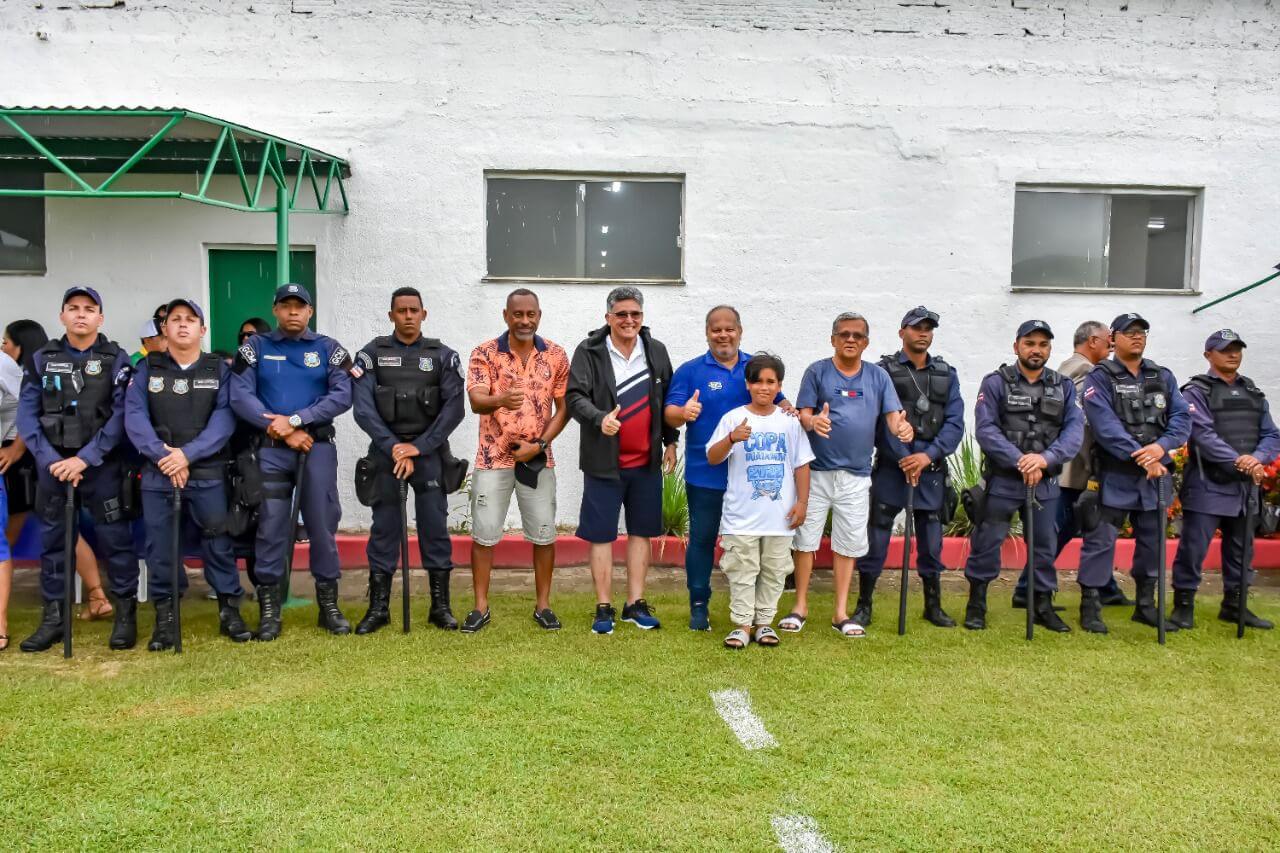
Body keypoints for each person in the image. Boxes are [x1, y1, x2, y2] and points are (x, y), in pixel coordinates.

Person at [124, 298, 252, 650]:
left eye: (190, 319)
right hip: (158, 472)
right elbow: (134, 418)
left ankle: (229, 611)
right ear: (164, 329)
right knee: (160, 547)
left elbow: (224, 419)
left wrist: (186, 455)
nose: (182, 325)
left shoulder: (219, 369)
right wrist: (164, 455)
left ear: (202, 329)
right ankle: (165, 620)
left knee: (218, 542)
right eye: (175, 319)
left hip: (207, 471)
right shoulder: (147, 369)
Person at [17, 287, 140, 653]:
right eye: (73, 308)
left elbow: (121, 416)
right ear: (62, 316)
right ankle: (53, 619)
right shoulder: (41, 360)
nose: (81, 315)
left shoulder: (116, 359)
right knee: (54, 544)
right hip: (53, 466)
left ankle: (124, 617)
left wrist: (85, 458)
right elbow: (27, 415)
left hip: (100, 466)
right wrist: (51, 460)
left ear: (100, 318)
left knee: (116, 542)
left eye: (89, 309)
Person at [230, 283, 354, 640]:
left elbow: (342, 395)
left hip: (316, 446)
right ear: (275, 310)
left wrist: (297, 420)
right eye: (286, 306)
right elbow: (240, 396)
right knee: (271, 526)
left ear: (310, 312)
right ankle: (270, 609)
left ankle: (328, 606)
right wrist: (281, 429)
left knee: (322, 525)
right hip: (270, 449)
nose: (293, 312)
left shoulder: (329, 349)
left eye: (300, 306)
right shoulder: (255, 347)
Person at [664, 305, 792, 631]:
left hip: (751, 479)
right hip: (705, 472)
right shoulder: (691, 371)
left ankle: (758, 614)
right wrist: (684, 413)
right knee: (704, 539)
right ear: (707, 333)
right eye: (716, 329)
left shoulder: (756, 368)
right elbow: (670, 413)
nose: (723, 335)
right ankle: (698, 605)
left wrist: (803, 415)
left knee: (753, 545)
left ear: (740, 330)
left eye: (729, 329)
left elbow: (782, 405)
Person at [788, 312, 912, 638]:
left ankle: (840, 612)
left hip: (856, 476)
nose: (850, 340)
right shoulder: (817, 372)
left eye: (857, 335)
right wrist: (813, 422)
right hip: (815, 472)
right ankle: (799, 606)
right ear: (833, 339)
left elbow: (892, 419)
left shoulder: (878, 377)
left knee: (848, 544)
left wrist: (901, 428)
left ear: (866, 343)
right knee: (805, 541)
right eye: (844, 334)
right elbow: (803, 414)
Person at [351, 286, 465, 634]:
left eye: (414, 310)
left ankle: (439, 608)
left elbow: (454, 409)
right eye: (401, 311)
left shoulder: (443, 356)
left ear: (424, 314)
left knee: (434, 528)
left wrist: (418, 448)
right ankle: (378, 609)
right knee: (384, 530)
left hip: (429, 455)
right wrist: (394, 447)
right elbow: (364, 410)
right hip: (386, 456)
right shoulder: (370, 355)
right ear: (391, 316)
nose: (408, 316)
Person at [566, 286, 678, 635]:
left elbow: (668, 399)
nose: (629, 320)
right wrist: (600, 418)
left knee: (642, 532)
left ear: (642, 318)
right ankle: (603, 607)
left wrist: (671, 442)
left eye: (635, 314)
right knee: (601, 535)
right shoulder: (589, 351)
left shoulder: (655, 350)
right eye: (622, 314)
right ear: (608, 317)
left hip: (646, 463)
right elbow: (573, 396)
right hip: (604, 463)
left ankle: (635, 604)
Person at [962, 320, 1083, 632]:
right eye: (1030, 343)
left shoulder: (1063, 386)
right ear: (1016, 346)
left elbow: (1073, 432)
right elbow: (986, 429)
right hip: (1004, 480)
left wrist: (1044, 460)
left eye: (1043, 344)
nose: (1036, 350)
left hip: (1044, 482)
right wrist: (1020, 460)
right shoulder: (995, 383)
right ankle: (977, 603)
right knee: (987, 542)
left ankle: (1041, 604)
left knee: (1044, 545)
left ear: (1050, 349)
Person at [851, 306, 964, 629]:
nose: (923, 333)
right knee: (877, 540)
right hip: (891, 468)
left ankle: (933, 605)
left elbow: (955, 423)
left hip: (931, 471)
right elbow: (873, 421)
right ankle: (864, 605)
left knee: (932, 542)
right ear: (902, 332)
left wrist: (927, 456)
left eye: (928, 328)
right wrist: (904, 456)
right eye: (916, 328)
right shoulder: (880, 372)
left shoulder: (946, 373)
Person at [1078, 313, 1191, 634]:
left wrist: (1162, 447)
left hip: (1155, 476)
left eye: (1142, 332)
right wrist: (1144, 457)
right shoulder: (1100, 377)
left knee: (1153, 542)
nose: (1137, 337)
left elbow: (1181, 418)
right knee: (1100, 541)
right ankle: (1091, 607)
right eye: (1130, 333)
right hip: (1115, 474)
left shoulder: (1162, 375)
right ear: (1113, 339)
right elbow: (1105, 426)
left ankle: (1145, 606)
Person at [465, 288, 569, 632]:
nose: (525, 320)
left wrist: (539, 445)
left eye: (531, 314)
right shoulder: (484, 352)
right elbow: (477, 402)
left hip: (537, 457)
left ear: (539, 315)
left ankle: (543, 605)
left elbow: (564, 408)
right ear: (505, 315)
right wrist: (500, 399)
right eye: (517, 314)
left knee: (544, 534)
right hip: (492, 457)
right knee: (484, 535)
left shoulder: (554, 354)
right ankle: (481, 607)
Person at [1012, 320, 1132, 609]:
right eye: (1108, 341)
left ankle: (1105, 586)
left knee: (1088, 527)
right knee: (1061, 530)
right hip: (1073, 469)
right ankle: (1027, 588)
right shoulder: (1084, 370)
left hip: (1073, 468)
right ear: (1092, 341)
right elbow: (1080, 415)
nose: (1111, 346)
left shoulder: (1069, 367)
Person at [1, 320, 111, 624]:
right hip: (47, 458)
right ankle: (94, 595)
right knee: (63, 530)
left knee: (57, 531)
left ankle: (96, 594)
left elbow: (27, 415)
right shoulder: (40, 366)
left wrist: (18, 449)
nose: (3, 347)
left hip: (35, 462)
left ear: (20, 345)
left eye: (6, 342)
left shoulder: (12, 369)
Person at [1169, 330, 1279, 629]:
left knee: (1242, 549)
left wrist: (1257, 458)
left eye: (1236, 349)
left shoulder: (1253, 391)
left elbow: (1271, 434)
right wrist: (1240, 461)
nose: (1232, 354)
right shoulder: (1196, 390)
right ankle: (1183, 605)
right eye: (1224, 349)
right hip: (1209, 484)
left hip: (1244, 487)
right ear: (1209, 355)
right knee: (1194, 548)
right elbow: (1202, 434)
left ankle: (1235, 605)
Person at [706, 353, 813, 649]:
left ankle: (764, 622)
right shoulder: (733, 418)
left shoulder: (789, 422)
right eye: (758, 381)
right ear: (748, 384)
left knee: (775, 570)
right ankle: (741, 624)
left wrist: (802, 503)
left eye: (771, 382)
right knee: (742, 569)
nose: (764, 388)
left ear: (779, 385)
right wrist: (731, 438)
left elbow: (801, 465)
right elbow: (712, 457)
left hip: (780, 516)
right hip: (741, 516)